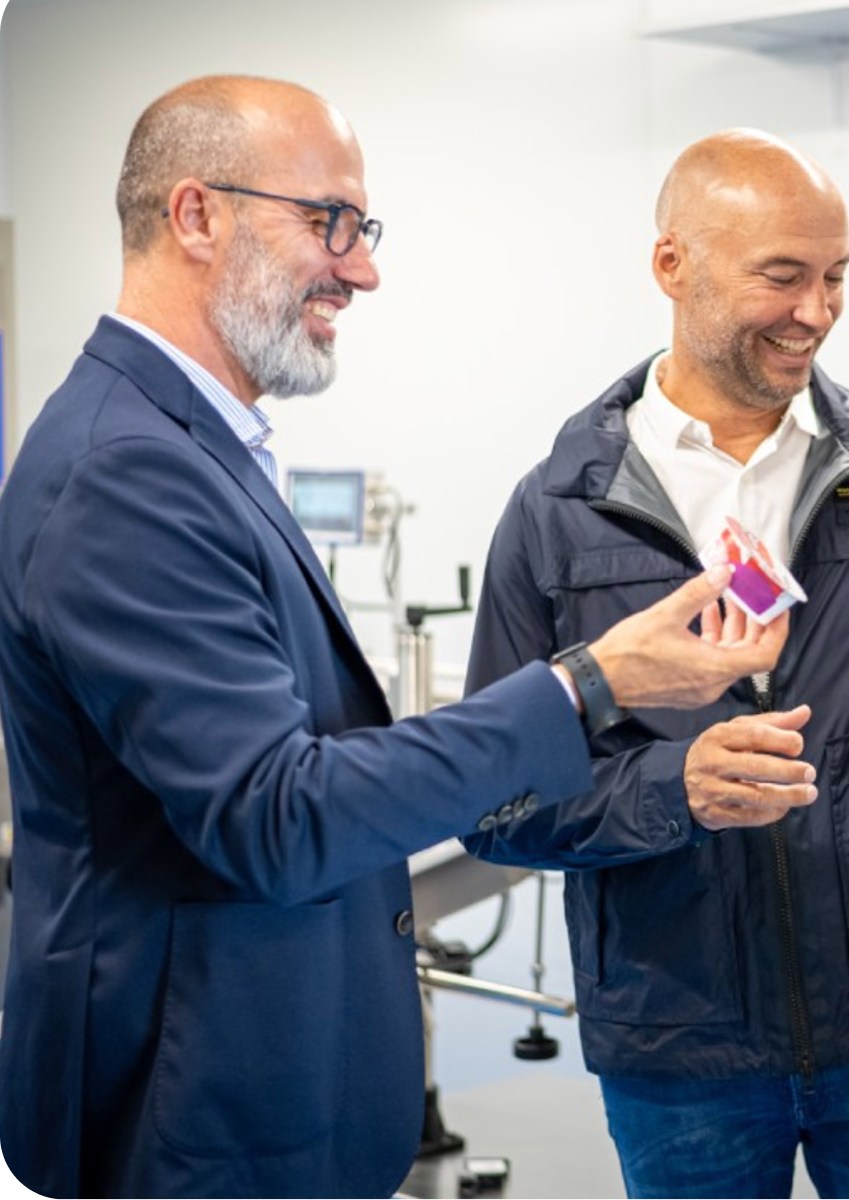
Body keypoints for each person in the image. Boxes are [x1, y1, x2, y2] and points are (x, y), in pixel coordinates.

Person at [0, 79, 797, 1200]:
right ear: (196, 215)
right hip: (180, 1122)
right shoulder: (124, 471)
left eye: (362, 229)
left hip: (251, 1096)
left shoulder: (200, 447)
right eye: (328, 222)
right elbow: (278, 818)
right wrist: (588, 685)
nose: (361, 270)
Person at [463, 128, 849, 1200]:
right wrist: (670, 789)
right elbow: (495, 802)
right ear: (671, 264)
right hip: (680, 1044)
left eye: (836, 277)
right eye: (781, 276)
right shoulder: (557, 510)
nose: (815, 311)